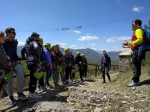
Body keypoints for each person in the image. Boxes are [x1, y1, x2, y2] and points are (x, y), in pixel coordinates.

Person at [3, 28, 27, 105]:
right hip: (8, 64)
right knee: (10, 81)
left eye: (15, 32)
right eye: (13, 32)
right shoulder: (4, 41)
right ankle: (11, 96)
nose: (15, 34)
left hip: (16, 61)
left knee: (21, 75)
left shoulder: (15, 41)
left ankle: (20, 93)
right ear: (8, 33)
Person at [122, 19, 144, 87]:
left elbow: (140, 40)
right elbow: (136, 43)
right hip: (138, 50)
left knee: (136, 66)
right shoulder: (138, 31)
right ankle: (137, 81)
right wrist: (128, 46)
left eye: (132, 24)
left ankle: (135, 81)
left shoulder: (138, 30)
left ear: (137, 24)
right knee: (137, 66)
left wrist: (129, 43)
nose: (131, 25)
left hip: (137, 51)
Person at [25, 32, 42, 98]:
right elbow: (37, 49)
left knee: (32, 77)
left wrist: (27, 58)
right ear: (34, 36)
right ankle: (33, 93)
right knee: (34, 78)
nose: (38, 38)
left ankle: (30, 92)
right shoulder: (34, 42)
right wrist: (38, 55)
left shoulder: (27, 43)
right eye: (38, 36)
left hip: (29, 62)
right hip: (34, 62)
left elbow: (23, 51)